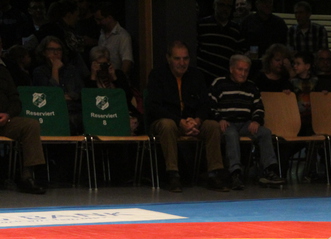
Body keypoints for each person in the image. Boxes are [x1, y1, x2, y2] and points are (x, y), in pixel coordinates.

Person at [144, 40, 227, 193]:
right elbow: (154, 106)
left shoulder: (196, 75)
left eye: (186, 58)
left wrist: (197, 120)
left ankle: (214, 173)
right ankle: (173, 175)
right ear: (168, 58)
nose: (182, 63)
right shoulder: (157, 75)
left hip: (191, 122)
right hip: (167, 122)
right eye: (177, 59)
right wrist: (179, 121)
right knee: (167, 124)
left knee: (212, 126)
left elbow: (205, 104)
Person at [209, 54, 284, 190]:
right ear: (231, 69)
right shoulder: (219, 83)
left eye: (246, 70)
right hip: (227, 123)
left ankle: (269, 170)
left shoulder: (251, 86)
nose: (243, 74)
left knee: (265, 132)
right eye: (240, 69)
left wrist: (256, 121)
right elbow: (210, 105)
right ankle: (235, 173)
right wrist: (219, 119)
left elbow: (259, 107)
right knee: (231, 134)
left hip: (245, 123)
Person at [0, 35, 46, 194]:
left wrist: (8, 114)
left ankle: (27, 177)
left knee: (30, 125)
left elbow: (15, 100)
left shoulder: (3, 71)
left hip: (4, 120)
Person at [32, 35, 84, 134]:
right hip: (50, 110)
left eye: (59, 50)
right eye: (51, 49)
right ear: (44, 52)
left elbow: (80, 91)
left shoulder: (71, 70)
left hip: (73, 108)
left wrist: (69, 96)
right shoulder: (39, 72)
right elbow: (50, 96)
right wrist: (55, 69)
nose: (56, 53)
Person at [85, 45, 139, 130]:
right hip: (100, 115)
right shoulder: (89, 80)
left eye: (104, 64)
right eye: (99, 64)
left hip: (120, 111)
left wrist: (114, 78)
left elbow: (127, 97)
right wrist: (93, 76)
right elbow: (89, 103)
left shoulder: (118, 75)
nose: (102, 67)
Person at [195, 0, 245, 84]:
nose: (225, 9)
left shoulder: (236, 30)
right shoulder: (202, 24)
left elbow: (239, 54)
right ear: (214, 5)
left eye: (228, 6)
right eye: (221, 5)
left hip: (224, 80)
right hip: (202, 77)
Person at [93, 2, 133, 78]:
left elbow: (127, 61)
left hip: (115, 78)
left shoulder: (123, 36)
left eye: (100, 19)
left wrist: (119, 79)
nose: (98, 23)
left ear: (109, 18)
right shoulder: (102, 34)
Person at [289, 50, 318, 135]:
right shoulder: (292, 82)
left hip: (314, 118)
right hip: (296, 117)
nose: (295, 66)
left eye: (298, 64)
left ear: (307, 66)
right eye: (294, 63)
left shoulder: (316, 81)